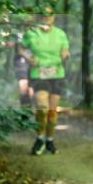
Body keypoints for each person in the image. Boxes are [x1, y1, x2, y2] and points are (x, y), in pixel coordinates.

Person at [22, 12, 70, 155]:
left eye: (50, 14)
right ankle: (39, 138)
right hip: (39, 74)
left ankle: (49, 140)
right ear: (39, 17)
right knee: (42, 108)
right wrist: (28, 57)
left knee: (52, 111)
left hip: (56, 74)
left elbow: (65, 51)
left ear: (54, 17)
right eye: (44, 14)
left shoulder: (60, 34)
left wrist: (65, 55)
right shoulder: (32, 33)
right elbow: (21, 48)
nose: (47, 17)